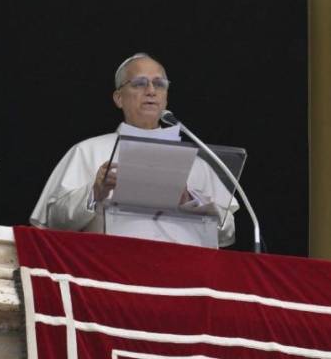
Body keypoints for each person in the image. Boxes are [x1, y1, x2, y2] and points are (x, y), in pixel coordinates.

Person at [29, 53, 236, 247]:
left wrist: (191, 200)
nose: (151, 91)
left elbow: (226, 233)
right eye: (139, 83)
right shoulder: (88, 151)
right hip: (111, 269)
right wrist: (94, 192)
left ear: (166, 97)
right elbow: (54, 221)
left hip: (183, 276)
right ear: (119, 98)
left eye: (159, 84)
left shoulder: (197, 163)